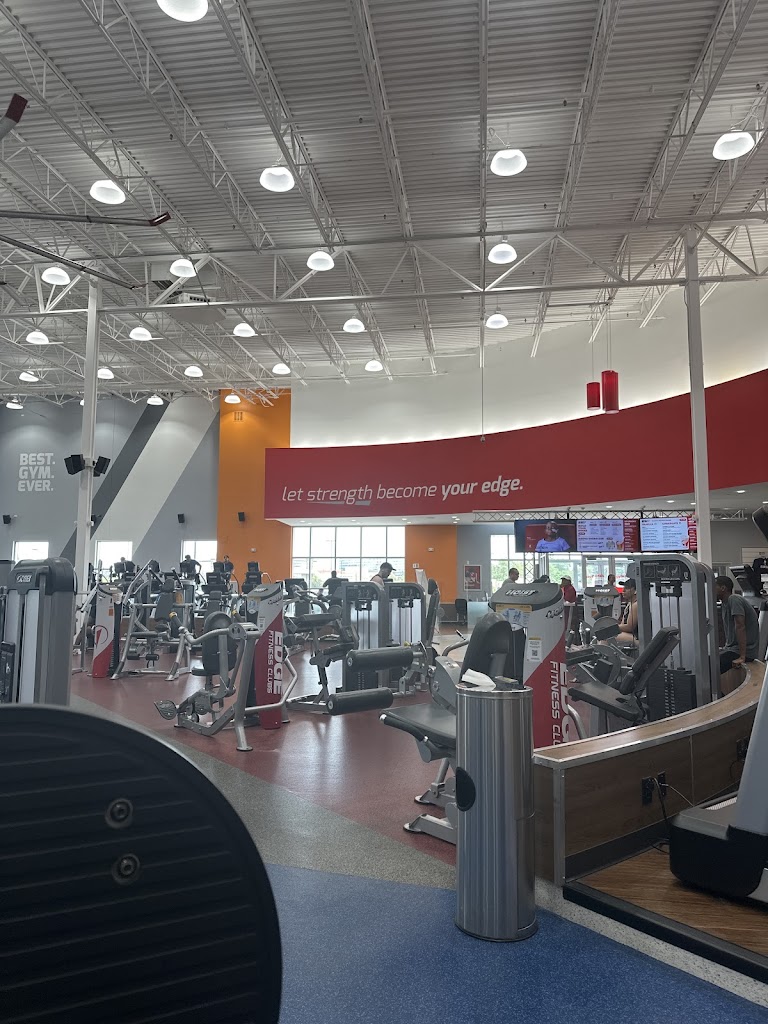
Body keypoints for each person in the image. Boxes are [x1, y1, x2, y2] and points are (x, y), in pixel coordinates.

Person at [716, 575, 759, 674]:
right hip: (733, 650)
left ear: (723, 588)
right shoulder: (725, 603)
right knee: (708, 660)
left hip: (744, 653)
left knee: (712, 666)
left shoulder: (734, 599)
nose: (711, 590)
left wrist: (742, 657)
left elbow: (740, 626)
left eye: (714, 587)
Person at [615, 578, 638, 644]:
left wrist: (612, 628)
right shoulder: (629, 604)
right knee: (603, 635)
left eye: (627, 588)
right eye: (624, 588)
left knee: (605, 637)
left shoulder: (636, 605)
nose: (623, 590)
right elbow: (623, 625)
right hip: (629, 635)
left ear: (635, 591)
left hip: (636, 637)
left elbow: (629, 627)